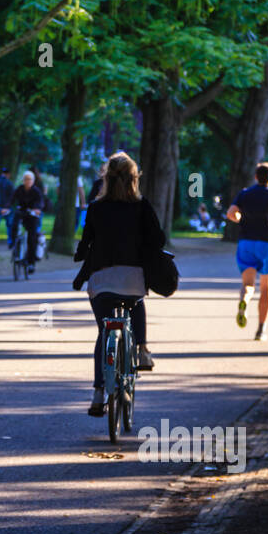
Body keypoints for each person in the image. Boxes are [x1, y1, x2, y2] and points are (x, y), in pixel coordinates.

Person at [73, 152, 165, 417]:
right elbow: (158, 240)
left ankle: (98, 392)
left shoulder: (96, 207)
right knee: (136, 301)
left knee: (104, 332)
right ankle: (142, 349)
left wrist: (83, 254)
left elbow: (85, 242)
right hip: (132, 277)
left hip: (101, 280)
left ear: (106, 178)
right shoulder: (142, 205)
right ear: (134, 178)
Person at [225, 161, 268, 341]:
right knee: (267, 287)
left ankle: (244, 300)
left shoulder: (244, 194)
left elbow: (231, 213)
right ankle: (261, 330)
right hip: (267, 243)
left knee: (248, 284)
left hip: (246, 242)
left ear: (256, 177)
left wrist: (241, 219)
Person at [11, 170, 44, 270]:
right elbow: (12, 200)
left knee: (31, 237)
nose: (27, 181)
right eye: (25, 179)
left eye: (29, 179)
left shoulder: (36, 191)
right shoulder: (19, 189)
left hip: (32, 215)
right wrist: (7, 207)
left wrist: (37, 209)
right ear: (23, 180)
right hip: (22, 213)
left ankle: (31, 263)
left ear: (33, 181)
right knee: (14, 226)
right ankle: (15, 248)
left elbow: (40, 203)